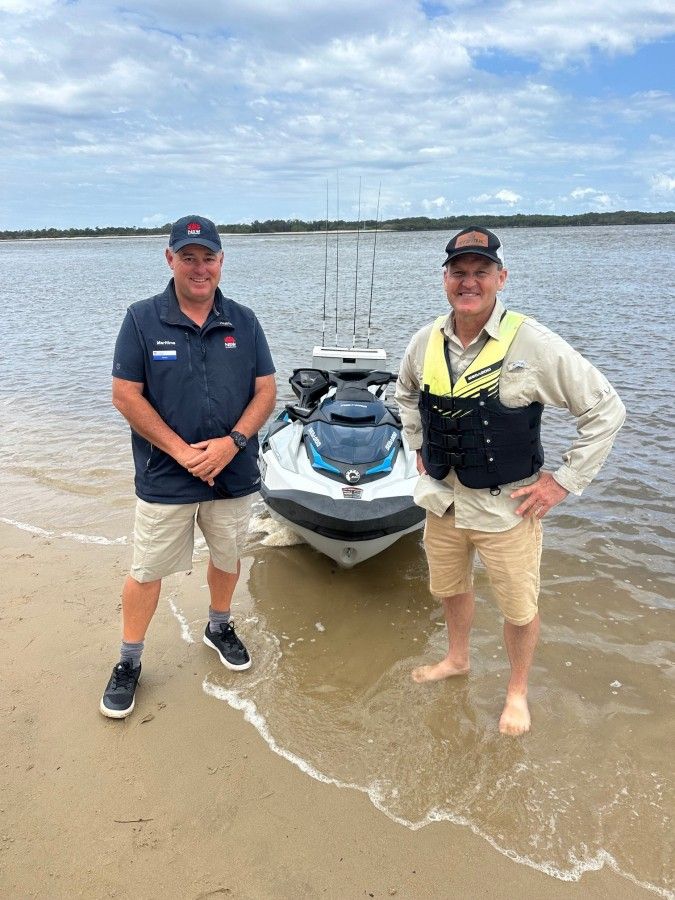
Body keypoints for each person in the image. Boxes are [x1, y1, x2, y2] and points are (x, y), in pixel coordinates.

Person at [395, 226, 625, 735]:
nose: (469, 282)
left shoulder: (533, 341)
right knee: (450, 588)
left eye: (481, 273)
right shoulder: (425, 340)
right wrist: (416, 445)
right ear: (445, 280)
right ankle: (457, 658)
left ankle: (517, 691)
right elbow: (405, 393)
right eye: (459, 273)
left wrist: (562, 482)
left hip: (508, 507)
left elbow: (605, 409)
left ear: (501, 278)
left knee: (519, 608)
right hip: (443, 501)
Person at [100, 215, 276, 719]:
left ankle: (219, 625)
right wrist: (181, 451)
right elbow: (124, 395)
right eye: (188, 257)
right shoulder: (141, 319)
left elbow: (266, 390)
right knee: (146, 569)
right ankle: (129, 660)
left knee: (227, 555)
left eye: (208, 258)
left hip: (233, 471)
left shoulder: (244, 320)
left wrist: (233, 442)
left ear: (222, 261)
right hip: (166, 474)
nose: (199, 268)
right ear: (170, 259)